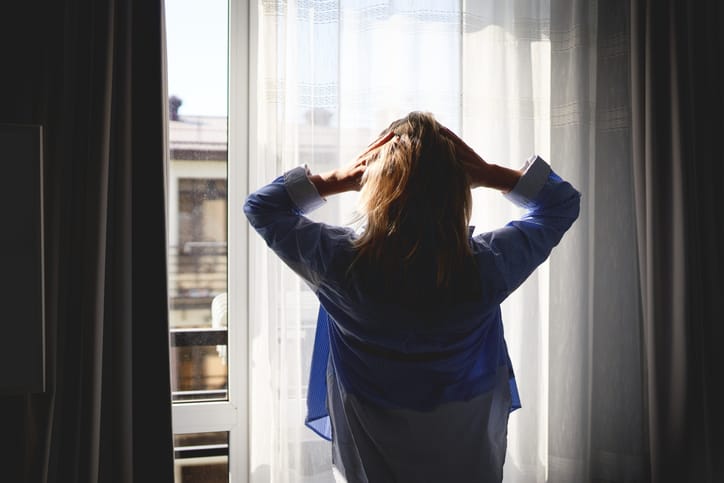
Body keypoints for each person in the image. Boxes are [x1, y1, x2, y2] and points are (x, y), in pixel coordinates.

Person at [244, 111, 581, 483]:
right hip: (469, 464)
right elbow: (561, 204)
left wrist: (338, 180)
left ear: (372, 182)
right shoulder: (487, 267)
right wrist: (489, 173)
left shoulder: (340, 264)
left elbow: (262, 207)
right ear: (458, 189)